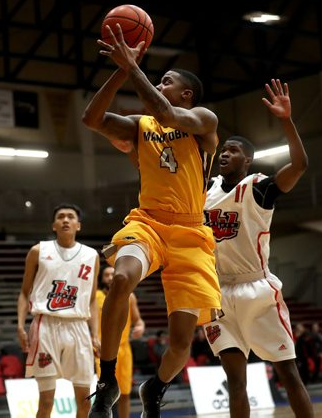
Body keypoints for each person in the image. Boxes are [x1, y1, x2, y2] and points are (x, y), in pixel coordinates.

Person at [82, 23, 222, 417]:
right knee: (122, 278)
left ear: (187, 94)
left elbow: (165, 111)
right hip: (148, 223)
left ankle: (155, 388)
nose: (159, 85)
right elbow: (91, 119)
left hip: (192, 233)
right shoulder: (140, 127)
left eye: (167, 80)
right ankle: (107, 381)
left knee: (181, 342)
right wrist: (122, 71)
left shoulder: (203, 121)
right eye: (157, 79)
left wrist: (134, 67)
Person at [202, 78, 314, 418]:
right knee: (235, 381)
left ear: (247, 160)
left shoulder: (259, 188)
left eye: (233, 151)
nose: (225, 154)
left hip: (258, 289)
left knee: (288, 374)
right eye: (224, 150)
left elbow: (299, 166)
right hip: (218, 293)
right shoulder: (205, 191)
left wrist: (285, 120)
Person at [17, 203, 100, 418]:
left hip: (78, 326)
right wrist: (19, 326)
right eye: (61, 217)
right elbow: (25, 293)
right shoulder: (39, 251)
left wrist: (96, 334)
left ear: (78, 225)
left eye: (71, 217)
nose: (65, 220)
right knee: (46, 401)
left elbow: (91, 299)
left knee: (85, 401)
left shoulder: (91, 256)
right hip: (46, 325)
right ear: (54, 225)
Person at [95, 265, 145, 418]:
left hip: (124, 349)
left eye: (113, 274)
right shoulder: (94, 296)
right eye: (107, 275)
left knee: (125, 393)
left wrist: (139, 327)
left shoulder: (129, 297)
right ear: (102, 278)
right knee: (104, 393)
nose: (110, 277)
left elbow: (138, 321)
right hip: (101, 350)